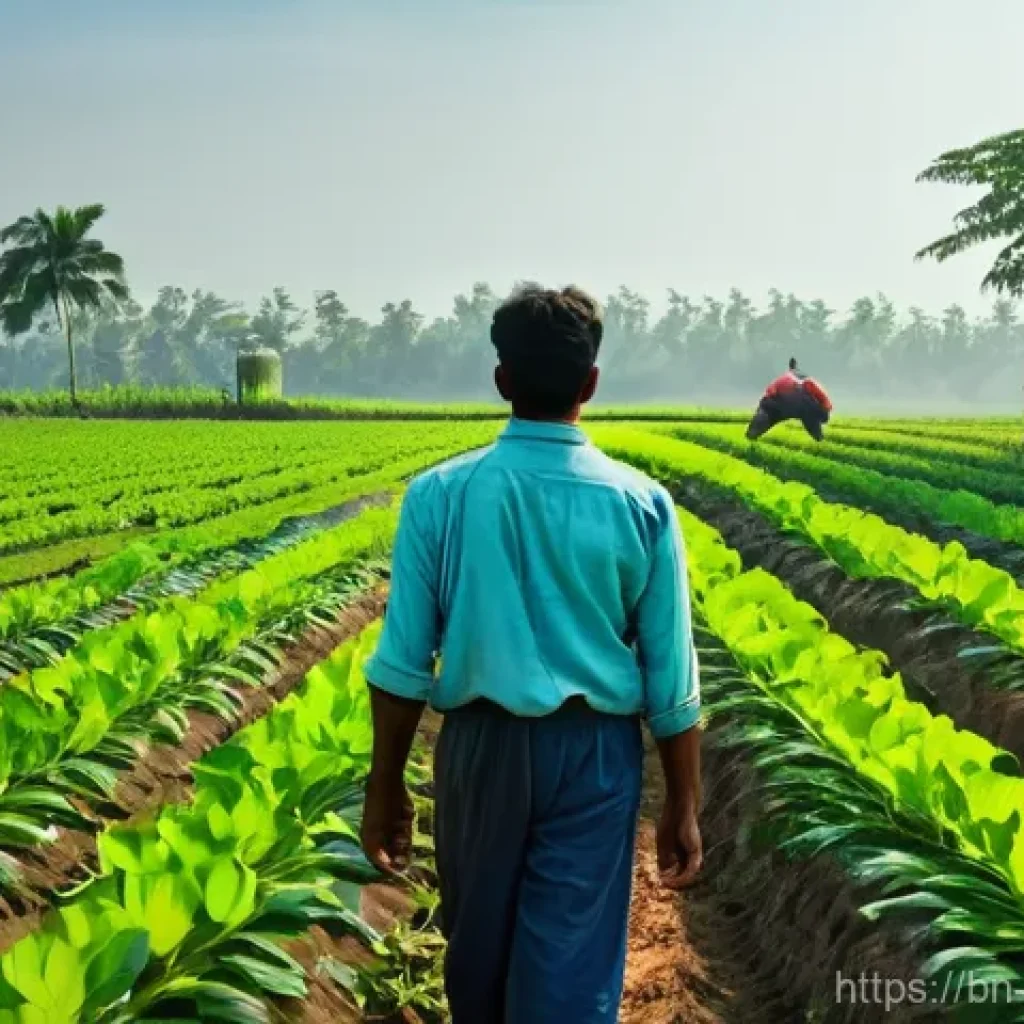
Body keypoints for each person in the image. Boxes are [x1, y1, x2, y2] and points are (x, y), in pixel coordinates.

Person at [360, 284, 702, 1024]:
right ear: (591, 384)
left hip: (479, 751)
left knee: (477, 962)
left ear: (502, 379)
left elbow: (402, 666)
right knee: (568, 977)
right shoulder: (642, 504)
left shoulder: (439, 496)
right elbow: (672, 678)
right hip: (594, 759)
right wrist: (683, 800)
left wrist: (384, 785)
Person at [746, 356, 833, 441]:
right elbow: (820, 396)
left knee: (764, 415)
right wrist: (825, 410)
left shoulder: (785, 378)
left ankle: (752, 435)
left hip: (781, 403)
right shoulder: (805, 380)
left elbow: (770, 392)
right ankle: (819, 438)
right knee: (812, 419)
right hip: (799, 403)